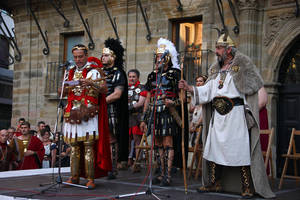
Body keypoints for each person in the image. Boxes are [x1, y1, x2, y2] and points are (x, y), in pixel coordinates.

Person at [179, 34, 275, 198]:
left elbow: (254, 85)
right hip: (218, 116)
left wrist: (249, 108)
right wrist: (189, 88)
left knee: (241, 150)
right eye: (216, 48)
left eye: (219, 48)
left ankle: (247, 186)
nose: (216, 51)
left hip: (235, 115)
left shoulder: (242, 66)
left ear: (228, 50)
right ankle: (215, 183)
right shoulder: (215, 70)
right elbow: (208, 90)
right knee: (214, 148)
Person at [140, 38, 188, 186]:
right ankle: (160, 173)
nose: (158, 59)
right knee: (158, 143)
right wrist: (143, 118)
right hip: (154, 111)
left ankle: (168, 174)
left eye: (161, 56)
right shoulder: (152, 76)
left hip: (168, 111)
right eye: (157, 56)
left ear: (167, 58)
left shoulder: (175, 74)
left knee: (167, 143)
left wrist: (172, 102)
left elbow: (183, 98)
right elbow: (147, 98)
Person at [61, 44, 111, 189]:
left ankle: (90, 178)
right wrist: (64, 87)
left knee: (88, 146)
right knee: (74, 146)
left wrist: (90, 83)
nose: (78, 60)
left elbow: (104, 89)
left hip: (88, 111)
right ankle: (74, 176)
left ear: (86, 55)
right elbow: (63, 92)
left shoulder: (94, 70)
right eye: (75, 57)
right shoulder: (69, 72)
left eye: (80, 56)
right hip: (72, 110)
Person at [101, 38, 129, 179]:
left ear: (113, 57)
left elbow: (117, 94)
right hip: (100, 110)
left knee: (112, 138)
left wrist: (101, 103)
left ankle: (112, 168)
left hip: (111, 110)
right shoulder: (100, 72)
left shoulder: (118, 72)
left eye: (106, 55)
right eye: (103, 55)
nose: (103, 57)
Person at [127, 69, 146, 170]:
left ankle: (137, 162)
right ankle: (129, 159)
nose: (131, 78)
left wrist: (128, 108)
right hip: (127, 117)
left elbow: (140, 103)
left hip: (137, 117)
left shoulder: (142, 88)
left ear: (138, 77)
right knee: (128, 140)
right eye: (130, 76)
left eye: (133, 76)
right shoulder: (126, 88)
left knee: (137, 139)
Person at [189, 75, 207, 147]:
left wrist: (196, 125)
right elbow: (191, 110)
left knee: (200, 146)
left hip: (202, 124)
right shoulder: (194, 94)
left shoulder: (206, 93)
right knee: (193, 145)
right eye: (197, 81)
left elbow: (204, 112)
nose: (198, 83)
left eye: (200, 81)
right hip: (194, 121)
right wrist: (192, 124)